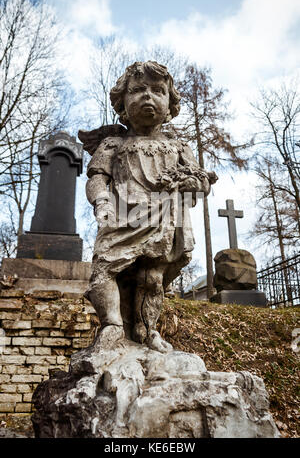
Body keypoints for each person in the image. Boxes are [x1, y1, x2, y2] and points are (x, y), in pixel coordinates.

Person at [80, 61, 216, 353]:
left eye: (157, 91)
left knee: (152, 278)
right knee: (103, 268)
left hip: (163, 214)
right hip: (121, 215)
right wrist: (101, 201)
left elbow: (200, 183)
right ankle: (112, 327)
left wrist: (194, 183)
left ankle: (147, 330)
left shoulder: (178, 147)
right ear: (122, 101)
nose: (148, 97)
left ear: (170, 104)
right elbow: (96, 178)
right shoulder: (112, 145)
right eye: (138, 90)